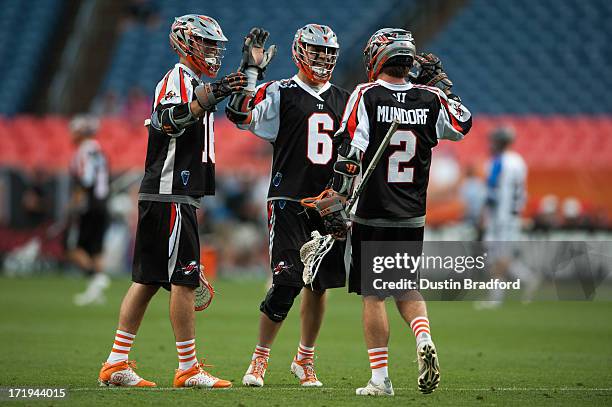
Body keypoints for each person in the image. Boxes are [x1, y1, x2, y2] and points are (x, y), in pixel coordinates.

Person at [310, 29, 472, 395]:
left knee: (374, 296)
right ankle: (423, 338)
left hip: (373, 210)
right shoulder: (431, 98)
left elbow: (350, 153)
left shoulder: (366, 95)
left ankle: (380, 379)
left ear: (377, 58)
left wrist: (337, 198)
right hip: (412, 213)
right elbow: (463, 123)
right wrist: (443, 85)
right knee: (406, 287)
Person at [97, 14, 247, 388]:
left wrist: (246, 71)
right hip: (170, 192)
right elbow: (168, 119)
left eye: (215, 45)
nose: (212, 51)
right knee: (183, 280)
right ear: (184, 43)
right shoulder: (177, 79)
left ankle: (115, 362)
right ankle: (188, 367)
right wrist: (210, 95)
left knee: (147, 280)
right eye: (205, 43)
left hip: (169, 193)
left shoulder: (193, 81)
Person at [226, 24, 350, 387]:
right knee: (287, 280)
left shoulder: (345, 98)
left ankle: (304, 360)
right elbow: (240, 115)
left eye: (328, 53)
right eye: (316, 50)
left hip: (327, 205)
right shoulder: (281, 91)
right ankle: (259, 360)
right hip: (288, 198)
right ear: (299, 51)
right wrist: (251, 72)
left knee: (319, 285)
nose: (323, 58)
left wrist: (344, 194)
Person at [476, 126, 536, 308]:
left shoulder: (499, 162)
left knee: (498, 258)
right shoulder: (518, 161)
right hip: (512, 215)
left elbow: (493, 193)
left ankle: (495, 299)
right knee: (499, 257)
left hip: (501, 218)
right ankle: (528, 279)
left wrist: (484, 214)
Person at [66, 115, 111, 306]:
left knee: (73, 248)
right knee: (96, 250)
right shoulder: (98, 149)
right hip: (102, 203)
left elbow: (85, 180)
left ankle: (96, 279)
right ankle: (95, 291)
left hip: (89, 205)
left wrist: (73, 204)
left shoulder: (84, 151)